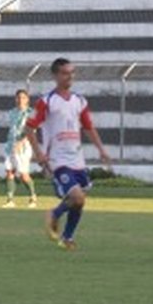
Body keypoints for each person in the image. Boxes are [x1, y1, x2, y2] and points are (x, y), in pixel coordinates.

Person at [25, 58, 112, 251]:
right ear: (55, 75)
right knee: (78, 197)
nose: (70, 76)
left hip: (77, 160)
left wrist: (101, 150)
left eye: (72, 72)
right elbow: (29, 128)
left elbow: (88, 126)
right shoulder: (46, 102)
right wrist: (39, 154)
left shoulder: (79, 101)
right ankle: (54, 215)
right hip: (58, 160)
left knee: (78, 201)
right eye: (65, 73)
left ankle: (67, 237)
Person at [2, 89, 39, 209]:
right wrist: (11, 143)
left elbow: (31, 131)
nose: (20, 100)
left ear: (27, 99)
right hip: (10, 145)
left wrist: (21, 142)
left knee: (23, 174)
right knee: (9, 171)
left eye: (23, 97)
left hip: (23, 146)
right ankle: (10, 200)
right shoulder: (12, 112)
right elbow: (12, 129)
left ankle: (33, 197)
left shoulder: (31, 113)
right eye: (18, 98)